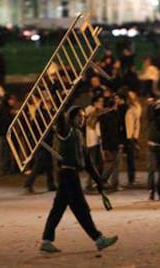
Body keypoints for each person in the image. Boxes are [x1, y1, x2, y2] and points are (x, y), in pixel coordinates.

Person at [40, 106, 118, 253]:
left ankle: (46, 240)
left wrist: (99, 181)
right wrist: (59, 98)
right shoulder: (66, 131)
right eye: (79, 117)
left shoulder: (78, 135)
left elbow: (88, 162)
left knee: (58, 209)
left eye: (83, 117)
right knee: (81, 209)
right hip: (68, 174)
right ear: (71, 118)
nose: (82, 119)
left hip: (70, 175)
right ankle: (98, 239)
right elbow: (60, 117)